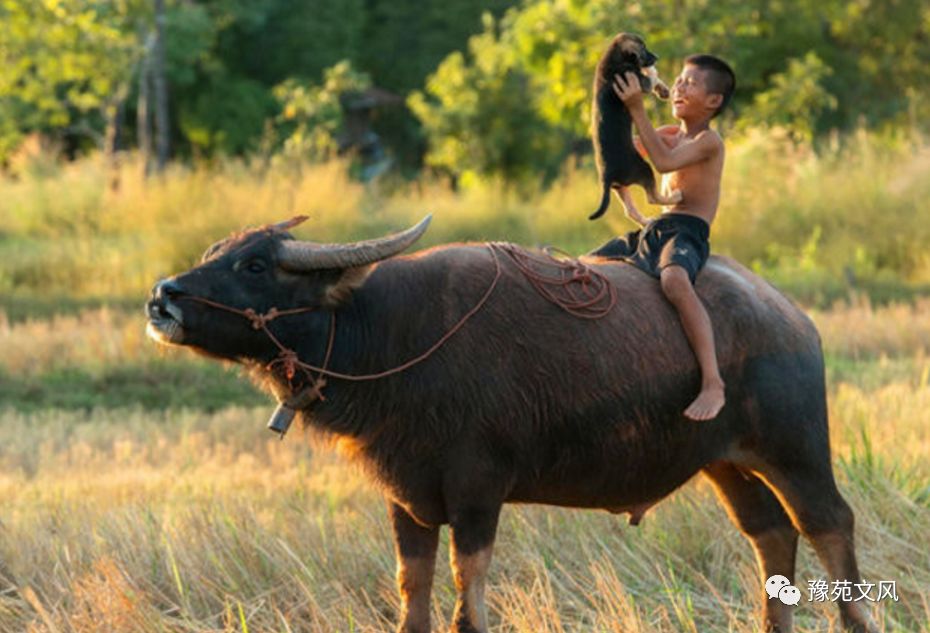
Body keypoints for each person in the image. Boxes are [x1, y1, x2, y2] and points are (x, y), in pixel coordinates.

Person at [590, 54, 735, 421]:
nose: (680, 86)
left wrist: (639, 108)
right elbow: (626, 156)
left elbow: (664, 164)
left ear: (714, 101)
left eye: (692, 82)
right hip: (655, 228)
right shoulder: (670, 135)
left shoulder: (708, 142)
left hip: (688, 231)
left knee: (674, 279)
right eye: (679, 80)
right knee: (587, 266)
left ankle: (712, 382)